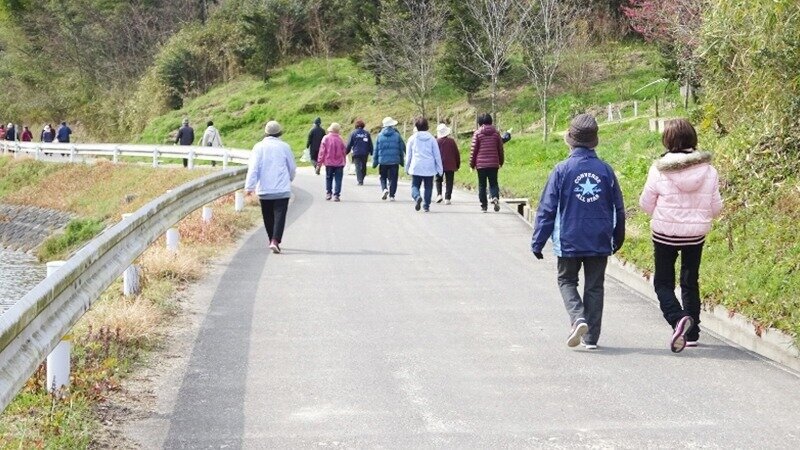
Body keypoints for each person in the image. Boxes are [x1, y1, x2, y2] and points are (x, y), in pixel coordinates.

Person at [531, 114, 625, 350]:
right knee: (595, 286)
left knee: (566, 280)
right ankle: (591, 338)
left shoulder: (561, 170)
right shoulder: (605, 170)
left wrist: (538, 241)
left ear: (569, 140)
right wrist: (618, 236)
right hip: (599, 239)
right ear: (595, 141)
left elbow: (547, 208)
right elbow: (619, 207)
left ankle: (578, 317)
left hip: (568, 239)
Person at [639, 119, 722, 353]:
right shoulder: (709, 170)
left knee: (663, 282)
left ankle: (678, 319)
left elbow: (646, 204)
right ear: (693, 139)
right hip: (695, 235)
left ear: (668, 140)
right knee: (689, 281)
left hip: (665, 234)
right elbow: (715, 208)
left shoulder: (659, 169)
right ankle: (693, 333)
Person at [245, 120, 297, 254]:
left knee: (267, 216)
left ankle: (271, 240)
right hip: (282, 188)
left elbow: (253, 168)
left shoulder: (258, 147)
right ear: (279, 133)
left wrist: (249, 187)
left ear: (266, 133)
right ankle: (275, 240)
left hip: (264, 188)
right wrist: (289, 178)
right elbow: (292, 167)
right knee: (280, 216)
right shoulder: (285, 146)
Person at [405, 117, 443, 213]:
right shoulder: (432, 139)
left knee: (415, 186)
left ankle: (417, 196)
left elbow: (408, 155)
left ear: (416, 127)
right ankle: (426, 205)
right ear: (427, 127)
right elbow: (437, 155)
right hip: (429, 166)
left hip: (416, 165)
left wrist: (407, 167)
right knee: (428, 187)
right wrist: (440, 169)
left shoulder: (412, 138)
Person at [470, 113, 504, 212]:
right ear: (491, 121)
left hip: (481, 165)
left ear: (480, 122)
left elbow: (474, 150)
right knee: (493, 183)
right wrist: (501, 161)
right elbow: (500, 149)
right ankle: (495, 197)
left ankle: (484, 206)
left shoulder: (477, 133)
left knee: (482, 185)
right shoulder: (496, 133)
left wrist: (472, 164)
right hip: (494, 163)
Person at [372, 116, 405, 201]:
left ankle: (384, 189)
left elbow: (376, 150)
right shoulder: (397, 135)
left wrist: (374, 162)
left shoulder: (379, 136)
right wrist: (404, 157)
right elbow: (402, 147)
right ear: (392, 125)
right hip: (394, 161)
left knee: (383, 177)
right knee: (393, 178)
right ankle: (392, 195)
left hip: (383, 161)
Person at [317, 122, 347, 201]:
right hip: (340, 163)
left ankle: (328, 193)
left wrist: (319, 163)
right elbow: (344, 151)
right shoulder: (341, 139)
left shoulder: (326, 138)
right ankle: (336, 195)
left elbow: (322, 152)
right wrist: (344, 161)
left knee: (329, 178)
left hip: (329, 162)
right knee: (338, 179)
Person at [435, 123, 461, 204]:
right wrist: (457, 164)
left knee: (438, 179)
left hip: (439, 164)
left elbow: (434, 154)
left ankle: (439, 194)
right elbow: (456, 153)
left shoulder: (436, 142)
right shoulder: (452, 141)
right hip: (450, 164)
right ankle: (447, 198)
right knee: (449, 181)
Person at [346, 119, 374, 185]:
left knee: (357, 166)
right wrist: (371, 151)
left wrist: (346, 152)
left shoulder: (353, 133)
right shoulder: (366, 133)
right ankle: (362, 177)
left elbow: (349, 144)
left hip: (356, 152)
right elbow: (370, 143)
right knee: (364, 166)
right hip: (365, 152)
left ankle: (360, 180)